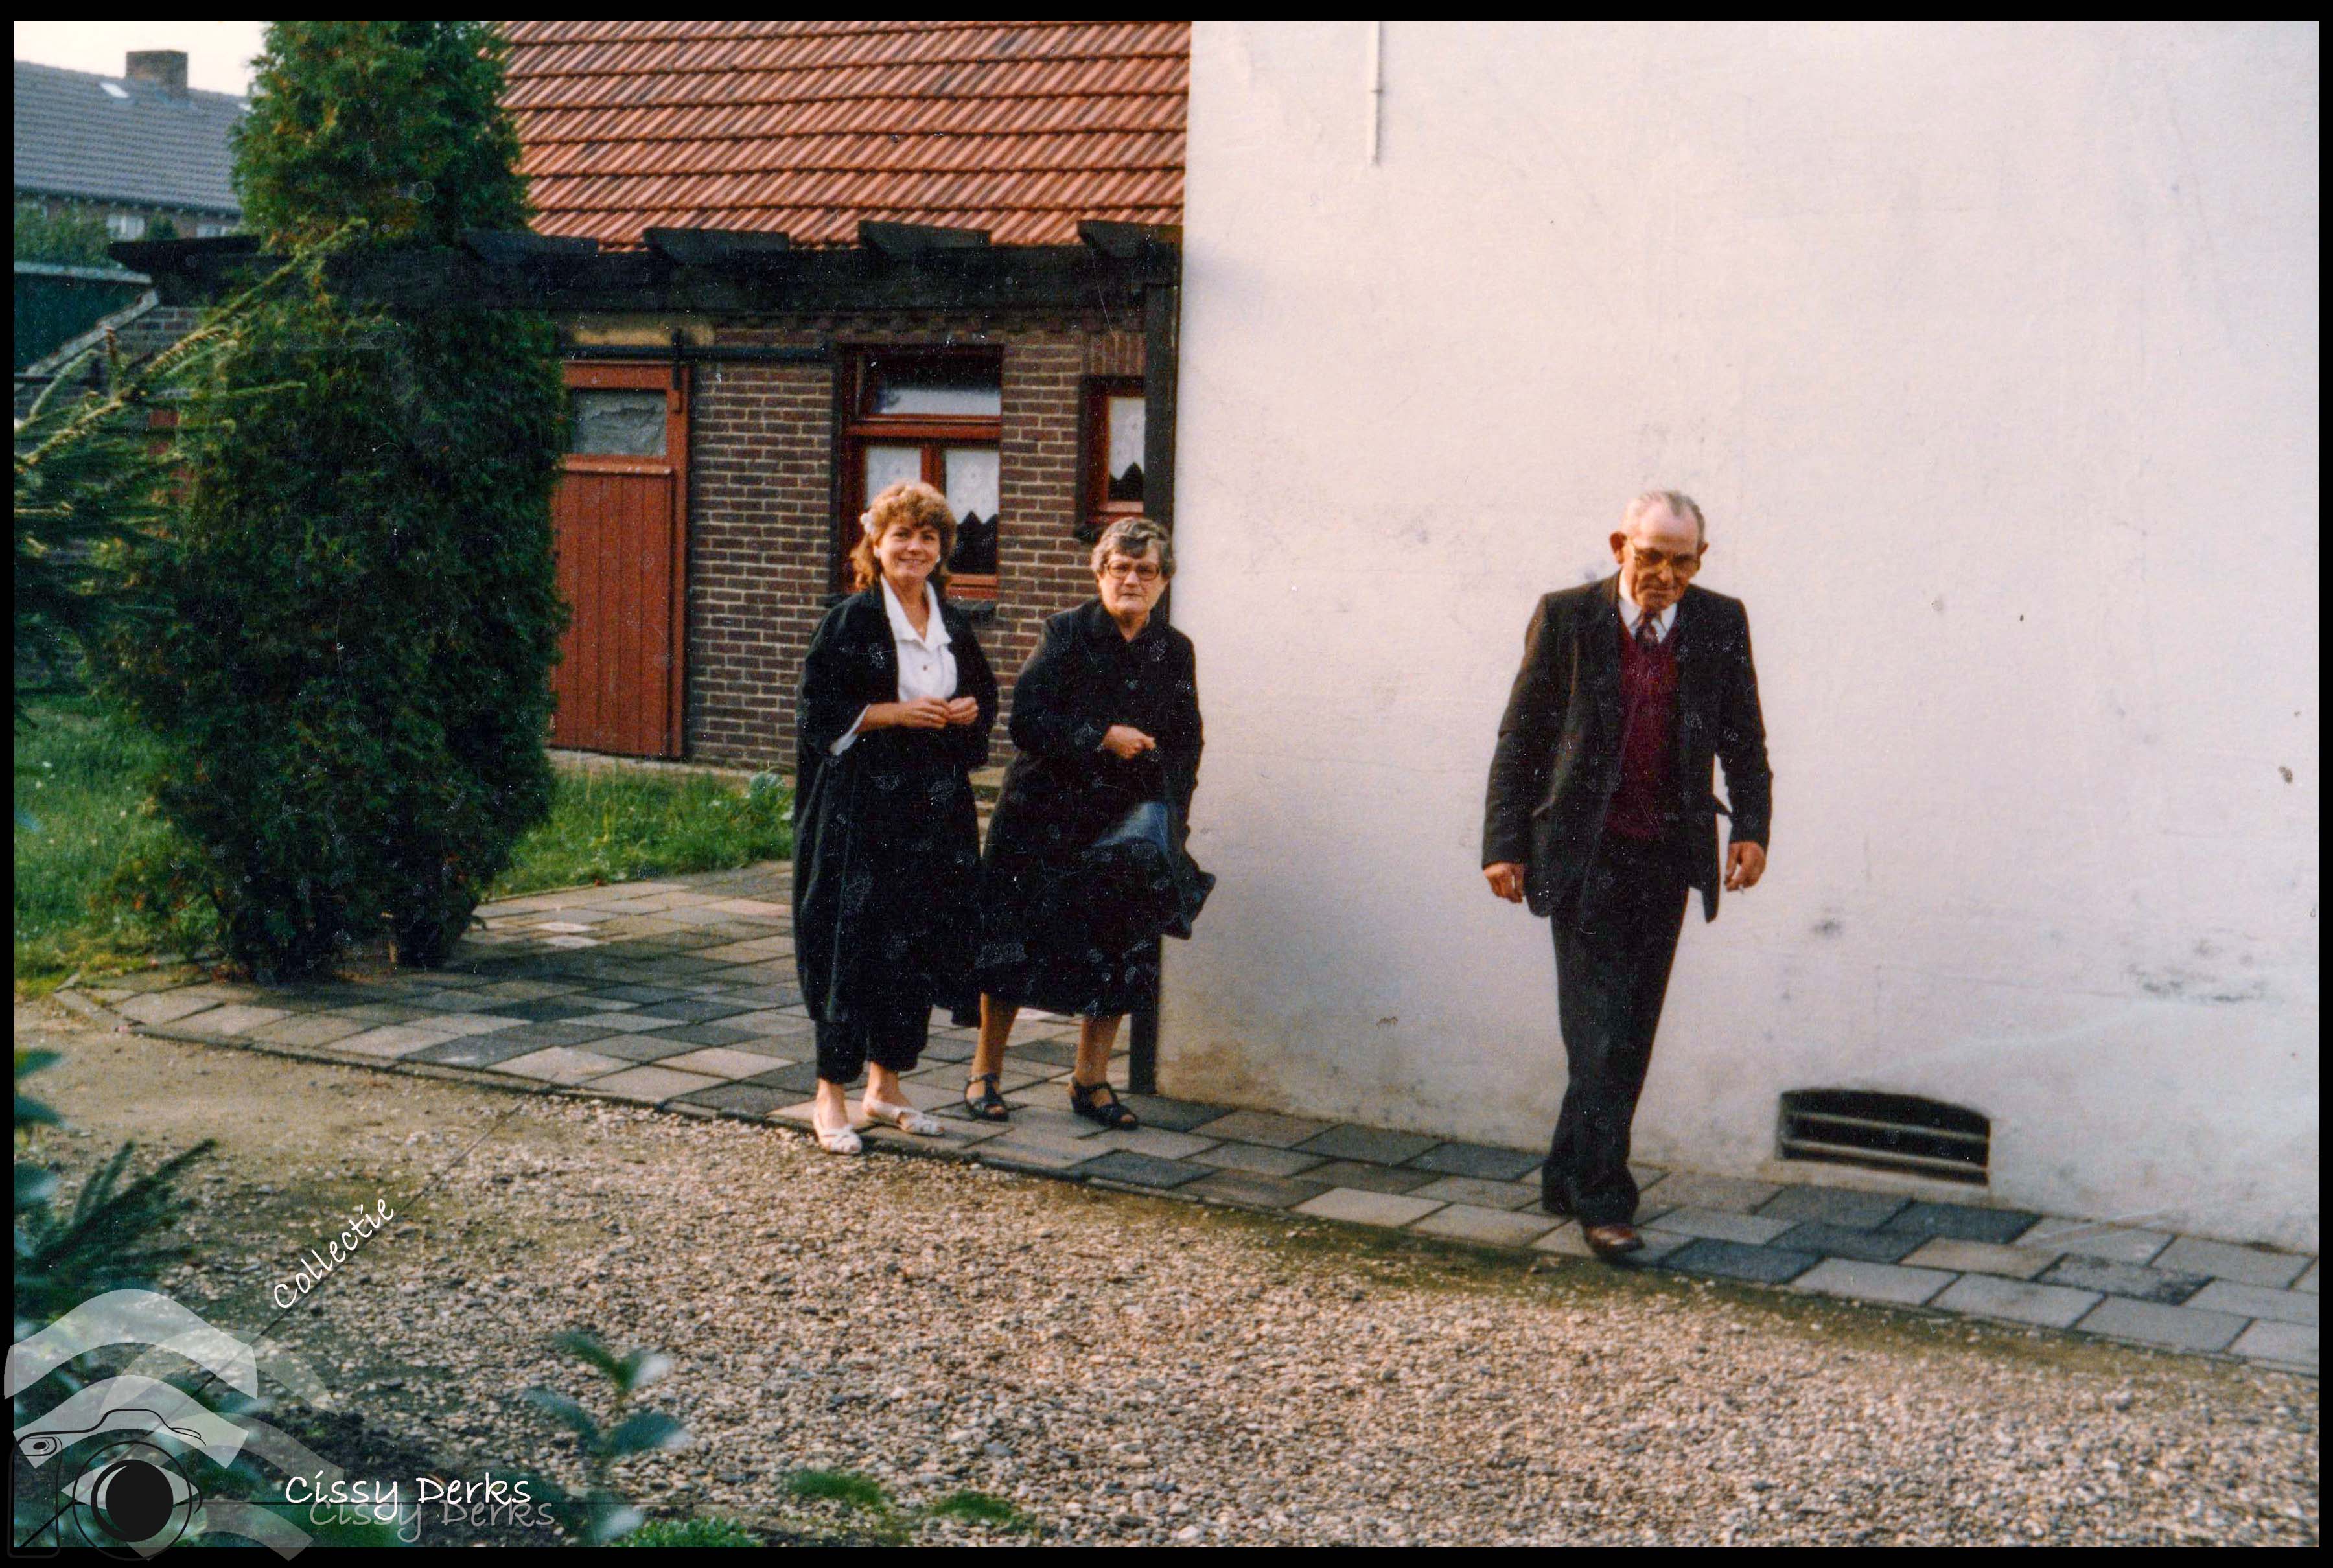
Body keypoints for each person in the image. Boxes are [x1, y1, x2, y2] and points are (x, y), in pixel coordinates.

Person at [1481, 490, 1771, 1258]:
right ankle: (1606, 1198)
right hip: (1583, 855)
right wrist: (1503, 843)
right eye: (1651, 557)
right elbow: (1521, 737)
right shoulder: (1568, 617)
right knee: (1598, 1031)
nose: (1665, 576)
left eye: (1682, 562)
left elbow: (1745, 736)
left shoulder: (1720, 622)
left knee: (1629, 1030)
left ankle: (1565, 1171)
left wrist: (1752, 828)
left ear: (1700, 561)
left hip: (1666, 855)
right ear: (1620, 547)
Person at [965, 516, 1203, 1129]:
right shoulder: (1066, 633)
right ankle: (985, 1074)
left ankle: (1090, 1081)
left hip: (1124, 822)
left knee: (1120, 948)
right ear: (1099, 574)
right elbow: (1027, 721)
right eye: (1119, 568)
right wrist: (1102, 736)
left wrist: (1172, 816)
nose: (1132, 580)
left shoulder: (1174, 649)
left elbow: (1187, 740)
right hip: (1042, 817)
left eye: (1145, 570)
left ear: (1164, 580)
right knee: (1012, 945)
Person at [793, 480, 999, 1155]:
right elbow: (817, 714)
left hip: (932, 810)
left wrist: (966, 712)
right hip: (862, 809)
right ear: (875, 545)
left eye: (928, 536)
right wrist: (892, 713)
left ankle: (885, 1087)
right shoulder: (850, 620)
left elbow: (983, 698)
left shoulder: (952, 622)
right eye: (901, 534)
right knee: (850, 940)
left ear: (942, 549)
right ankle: (830, 1094)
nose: (915, 547)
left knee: (915, 940)